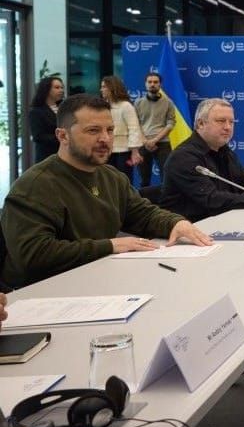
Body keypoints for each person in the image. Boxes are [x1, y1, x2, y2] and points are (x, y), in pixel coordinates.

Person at [1, 94, 212, 288]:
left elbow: (144, 215)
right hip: (40, 292)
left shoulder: (111, 176)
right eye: (93, 131)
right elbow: (34, 255)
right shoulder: (35, 185)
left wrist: (176, 223)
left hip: (96, 280)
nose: (105, 138)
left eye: (109, 130)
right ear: (63, 136)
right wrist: (110, 246)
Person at [134, 72, 176, 187]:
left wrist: (155, 140)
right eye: (150, 82)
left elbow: (171, 123)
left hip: (162, 143)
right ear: (145, 84)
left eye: (155, 82)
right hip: (143, 143)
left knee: (166, 176)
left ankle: (164, 203)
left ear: (160, 84)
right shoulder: (138, 103)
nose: (152, 84)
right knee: (143, 179)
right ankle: (144, 203)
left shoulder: (168, 102)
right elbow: (135, 123)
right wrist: (145, 140)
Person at [100, 75, 143, 182]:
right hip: (106, 150)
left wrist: (134, 151)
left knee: (123, 181)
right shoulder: (102, 106)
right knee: (107, 181)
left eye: (104, 87)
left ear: (112, 87)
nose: (101, 90)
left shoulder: (126, 106)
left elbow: (134, 128)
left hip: (123, 151)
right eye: (101, 87)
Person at [28, 76, 65, 162]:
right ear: (46, 89)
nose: (61, 90)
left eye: (62, 87)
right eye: (57, 87)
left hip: (65, 155)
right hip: (47, 156)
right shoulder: (36, 111)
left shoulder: (64, 107)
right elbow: (38, 136)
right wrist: (63, 138)